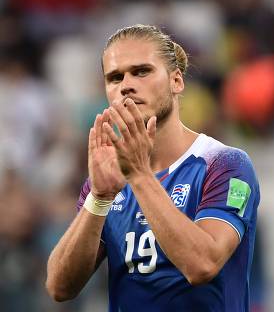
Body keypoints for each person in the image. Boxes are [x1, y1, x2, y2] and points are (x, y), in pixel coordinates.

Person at [45, 24, 260, 312]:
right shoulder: (108, 179)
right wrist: (99, 197)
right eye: (115, 77)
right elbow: (59, 287)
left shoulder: (223, 164)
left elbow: (202, 265)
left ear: (176, 81)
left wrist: (139, 176)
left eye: (142, 71)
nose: (126, 85)